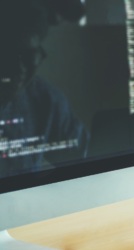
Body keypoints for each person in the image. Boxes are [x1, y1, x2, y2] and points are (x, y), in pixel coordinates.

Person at [0, 0, 88, 177]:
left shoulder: (45, 100)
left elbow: (86, 158)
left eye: (28, 56)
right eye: (7, 54)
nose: (18, 69)